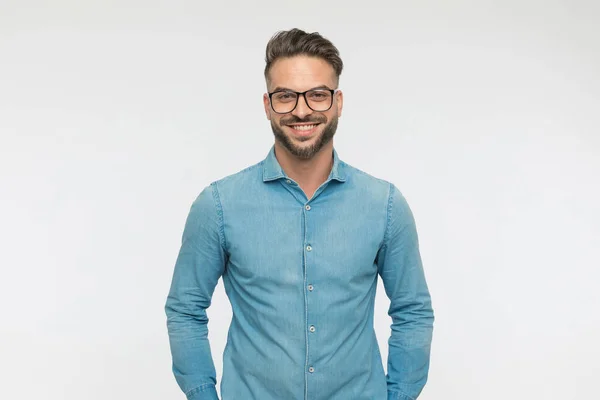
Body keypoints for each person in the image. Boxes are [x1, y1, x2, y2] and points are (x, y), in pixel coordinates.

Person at [164, 28, 434, 400]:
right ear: (267, 104)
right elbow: (185, 310)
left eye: (318, 95)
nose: (301, 110)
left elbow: (413, 311)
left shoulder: (384, 205)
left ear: (338, 102)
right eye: (286, 96)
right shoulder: (219, 205)